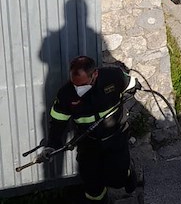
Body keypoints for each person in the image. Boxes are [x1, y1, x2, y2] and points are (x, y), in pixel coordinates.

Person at [42, 56, 139, 204]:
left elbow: (131, 84)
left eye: (82, 85)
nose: (78, 89)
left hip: (115, 137)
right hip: (88, 143)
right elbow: (58, 122)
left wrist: (131, 90)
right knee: (92, 182)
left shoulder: (112, 77)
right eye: (75, 84)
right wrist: (51, 145)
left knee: (117, 177)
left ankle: (128, 174)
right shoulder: (66, 94)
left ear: (95, 74)